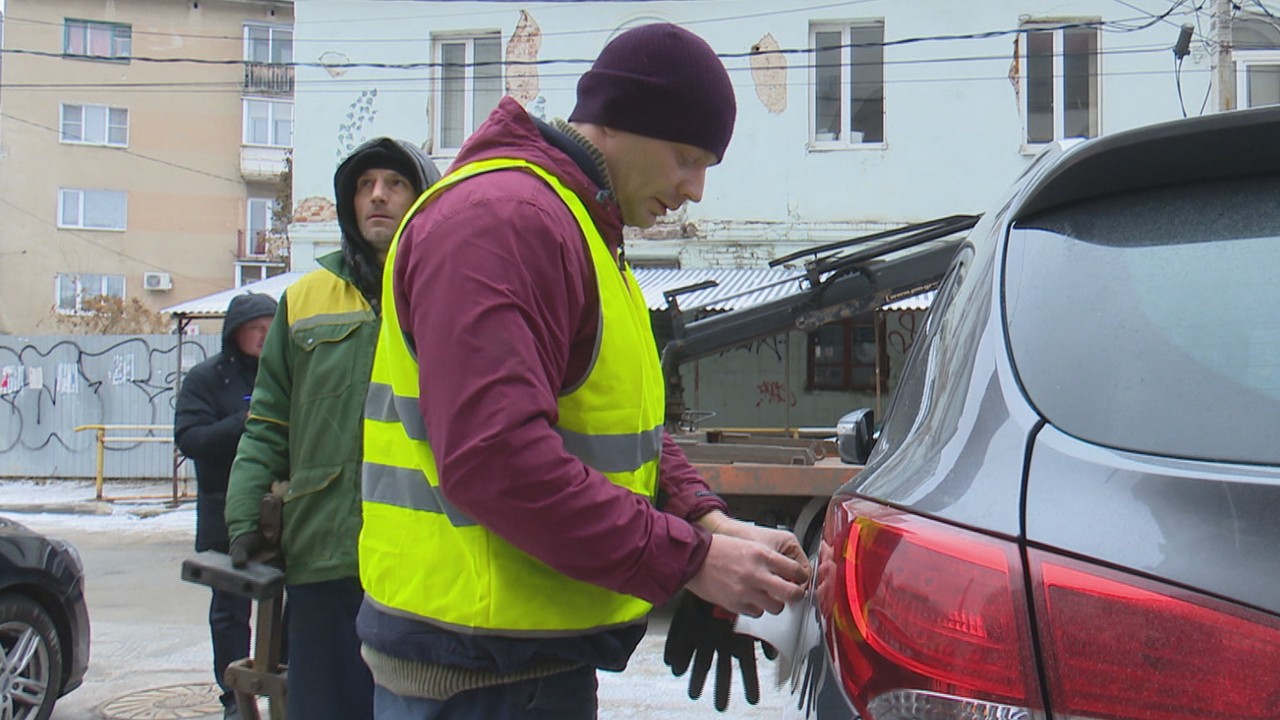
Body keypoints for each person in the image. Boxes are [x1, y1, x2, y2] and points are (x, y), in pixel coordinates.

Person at [357, 23, 810, 719]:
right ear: (623, 123)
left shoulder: (576, 225)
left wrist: (707, 523)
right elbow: (497, 459)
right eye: (686, 158)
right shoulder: (505, 221)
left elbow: (613, 423)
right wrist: (687, 561)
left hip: (518, 664)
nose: (694, 189)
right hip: (477, 678)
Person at [224, 138, 441, 720]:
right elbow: (269, 417)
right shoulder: (305, 298)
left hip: (420, 556)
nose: (378, 195)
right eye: (366, 184)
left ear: (422, 199)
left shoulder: (445, 291)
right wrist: (245, 517)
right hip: (323, 551)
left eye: (395, 184)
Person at [174, 291, 278, 720]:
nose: (263, 336)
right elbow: (191, 440)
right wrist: (242, 425)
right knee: (230, 611)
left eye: (271, 328)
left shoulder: (284, 372)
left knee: (287, 606)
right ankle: (232, 694)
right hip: (221, 510)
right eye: (255, 328)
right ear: (235, 333)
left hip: (282, 514)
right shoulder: (207, 379)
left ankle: (282, 680)